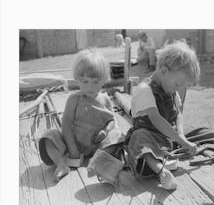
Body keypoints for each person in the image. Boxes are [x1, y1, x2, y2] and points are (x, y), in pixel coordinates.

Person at [125, 42, 200, 190]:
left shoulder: (170, 89)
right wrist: (181, 141)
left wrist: (181, 136)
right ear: (164, 71)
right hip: (148, 139)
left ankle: (167, 155)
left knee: (207, 133)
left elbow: (178, 113)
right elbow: (156, 119)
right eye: (177, 84)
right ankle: (161, 171)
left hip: (168, 138)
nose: (178, 89)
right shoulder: (144, 89)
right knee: (140, 137)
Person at [38, 49, 122, 182]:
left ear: (104, 80)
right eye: (85, 81)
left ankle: (100, 167)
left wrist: (105, 131)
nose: (90, 87)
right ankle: (61, 164)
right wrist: (72, 149)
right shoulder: (74, 99)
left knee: (117, 137)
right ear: (77, 79)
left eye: (95, 82)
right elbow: (65, 124)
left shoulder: (105, 99)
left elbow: (111, 121)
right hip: (72, 143)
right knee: (49, 136)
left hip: (96, 145)